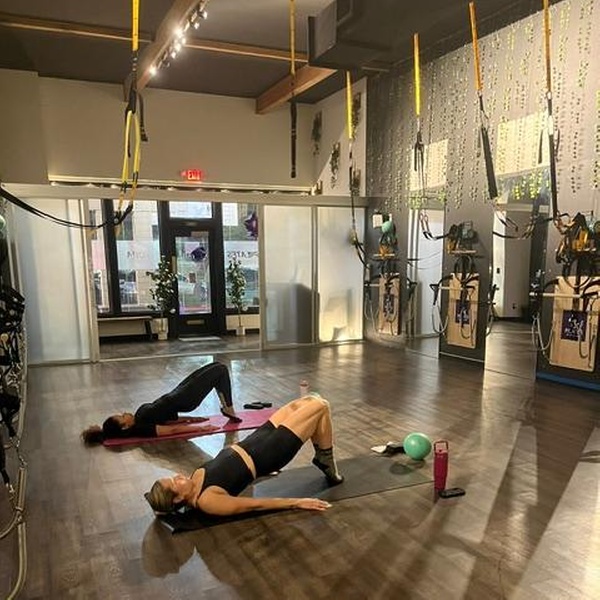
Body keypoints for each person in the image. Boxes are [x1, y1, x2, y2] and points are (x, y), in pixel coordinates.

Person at [144, 394, 343, 516]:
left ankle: (324, 458)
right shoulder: (207, 501)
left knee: (308, 401)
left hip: (257, 439)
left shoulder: (194, 480)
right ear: (178, 499)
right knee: (320, 406)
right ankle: (326, 459)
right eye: (175, 482)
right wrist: (297, 502)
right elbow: (254, 505)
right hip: (271, 452)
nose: (178, 476)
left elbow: (228, 473)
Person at [81, 361, 241, 445]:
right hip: (184, 398)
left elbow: (166, 420)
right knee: (221, 370)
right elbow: (171, 430)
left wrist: (191, 419)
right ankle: (228, 408)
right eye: (122, 417)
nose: (125, 413)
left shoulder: (139, 417)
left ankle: (227, 407)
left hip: (177, 393)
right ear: (125, 426)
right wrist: (201, 429)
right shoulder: (141, 428)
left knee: (216, 366)